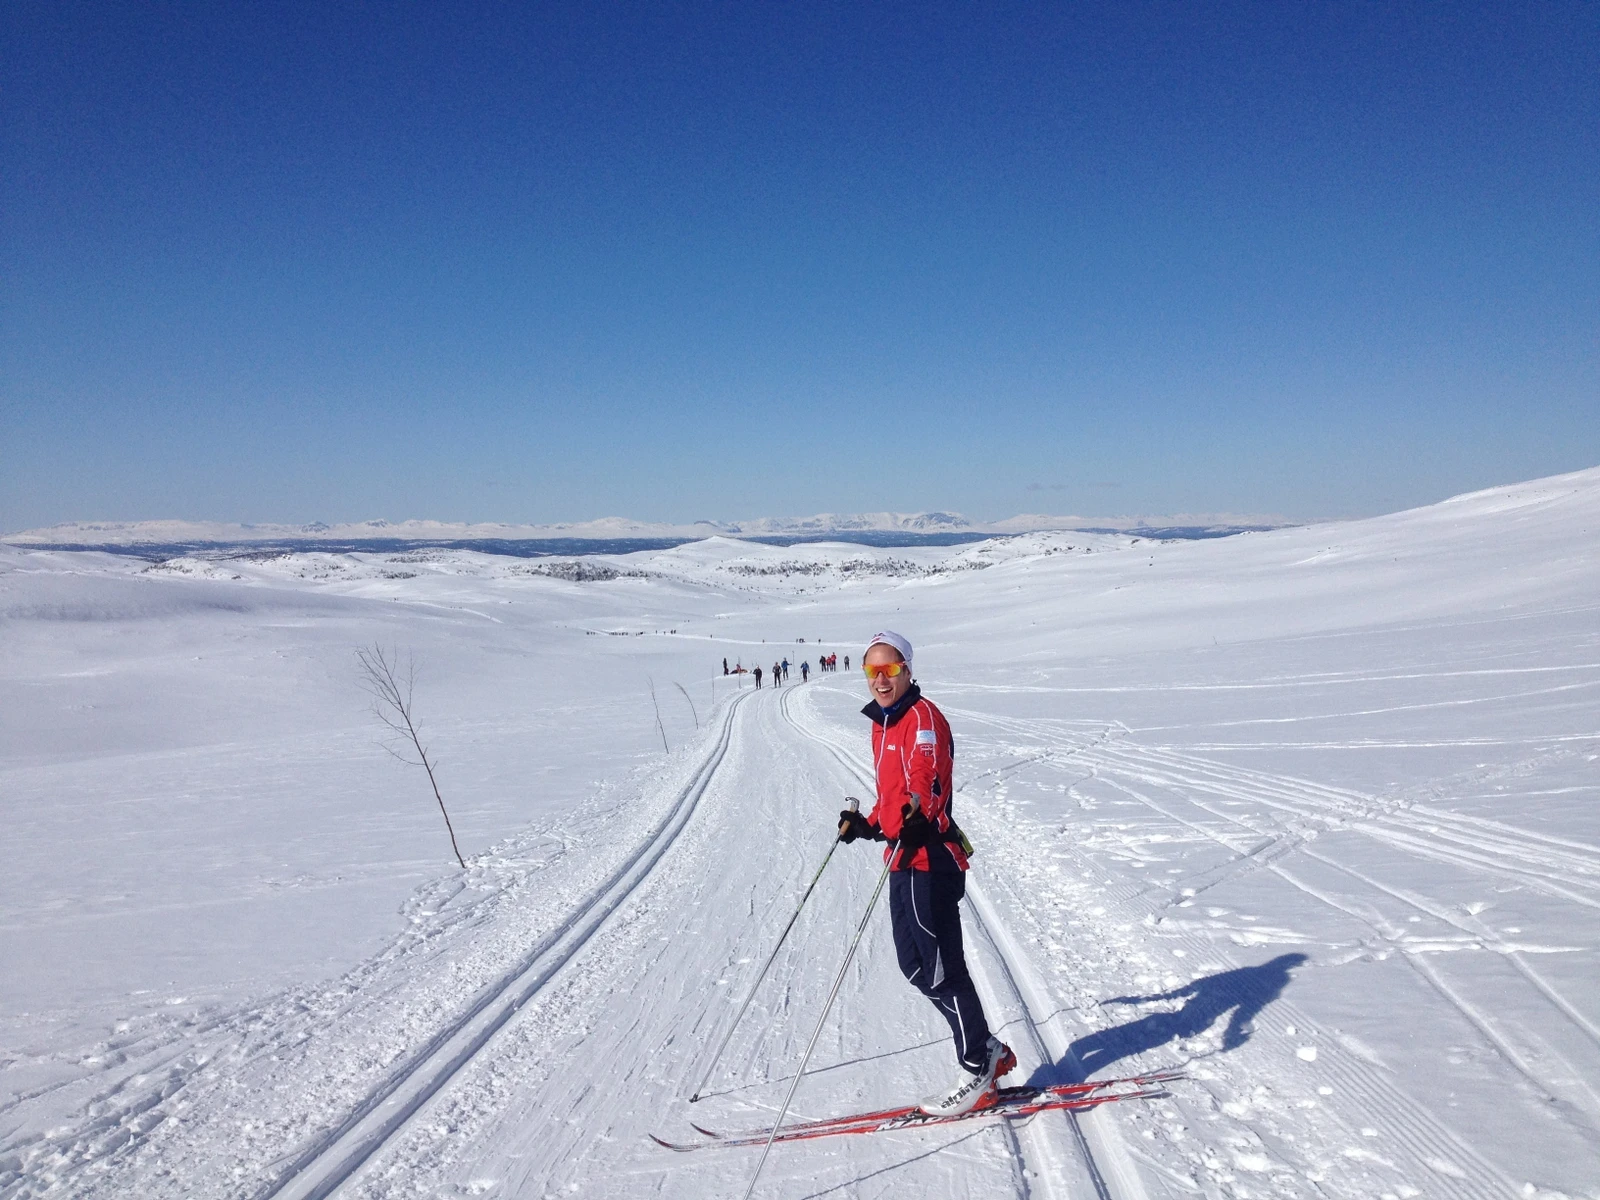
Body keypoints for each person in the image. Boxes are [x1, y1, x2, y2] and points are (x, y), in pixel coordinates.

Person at [836, 630, 1015, 1115]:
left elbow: (926, 778)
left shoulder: (922, 718)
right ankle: (985, 1048)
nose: (879, 679)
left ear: (907, 670)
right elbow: (893, 798)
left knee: (941, 969)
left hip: (930, 860)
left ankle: (978, 1065)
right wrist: (868, 823)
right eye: (871, 671)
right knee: (914, 966)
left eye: (889, 669)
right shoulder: (883, 723)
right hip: (901, 858)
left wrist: (918, 812)